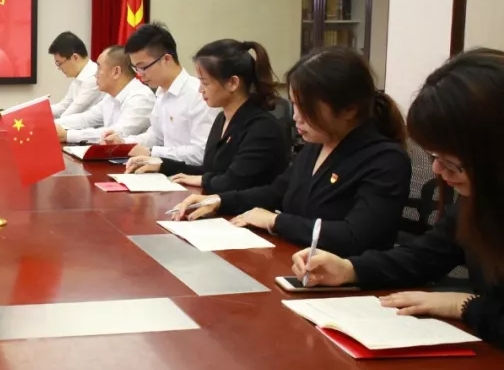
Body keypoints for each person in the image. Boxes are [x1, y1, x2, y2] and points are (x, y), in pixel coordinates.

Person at [292, 49, 504, 370]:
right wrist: (350, 269)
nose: (438, 172)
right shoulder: (478, 198)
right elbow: (426, 255)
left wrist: (465, 305)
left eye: (452, 162)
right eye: (435, 157)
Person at [173, 46, 411, 256]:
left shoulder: (385, 160)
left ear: (349, 109)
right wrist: (219, 200)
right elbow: (276, 192)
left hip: (342, 279)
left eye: (306, 108)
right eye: (295, 104)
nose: (296, 117)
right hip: (294, 258)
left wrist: (276, 221)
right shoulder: (316, 146)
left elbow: (355, 236)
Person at [128, 38, 289, 194]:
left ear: (232, 83)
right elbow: (210, 170)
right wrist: (162, 165)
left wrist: (203, 180)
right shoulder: (222, 119)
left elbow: (232, 182)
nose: (200, 90)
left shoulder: (262, 128)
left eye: (205, 82)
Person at [106, 23, 217, 166]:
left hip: (191, 174)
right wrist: (124, 143)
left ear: (166, 59)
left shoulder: (198, 94)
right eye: (136, 68)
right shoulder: (161, 93)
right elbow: (156, 136)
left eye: (143, 67)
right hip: (166, 170)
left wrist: (152, 152)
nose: (140, 74)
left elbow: (201, 153)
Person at [56, 45, 156, 144]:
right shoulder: (110, 97)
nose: (95, 75)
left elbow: (116, 134)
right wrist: (52, 125)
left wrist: (68, 135)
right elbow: (85, 119)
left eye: (99, 68)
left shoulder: (141, 98)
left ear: (116, 72)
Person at [48, 31, 103, 120]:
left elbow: (70, 114)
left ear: (75, 57)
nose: (59, 68)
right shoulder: (79, 77)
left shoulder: (93, 77)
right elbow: (63, 107)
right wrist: (36, 111)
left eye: (59, 63)